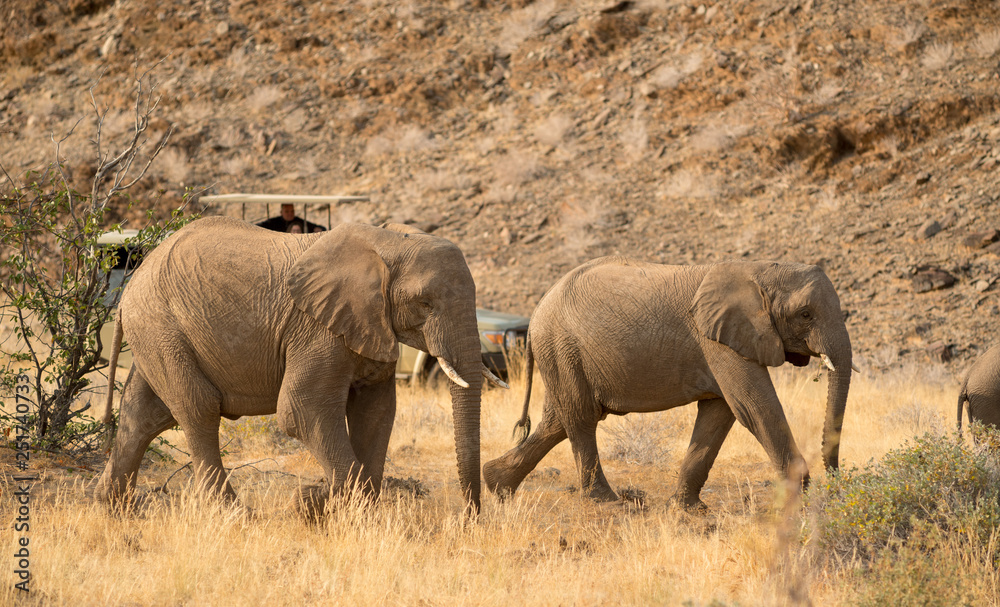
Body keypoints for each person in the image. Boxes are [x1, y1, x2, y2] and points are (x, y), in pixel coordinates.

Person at [257, 204, 326, 233]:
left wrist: (318, 229)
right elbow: (258, 227)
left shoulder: (299, 221)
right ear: (281, 212)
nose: (290, 213)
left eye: (292, 211)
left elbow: (320, 228)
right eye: (287, 211)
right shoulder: (273, 222)